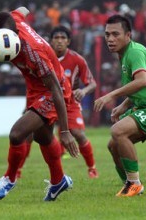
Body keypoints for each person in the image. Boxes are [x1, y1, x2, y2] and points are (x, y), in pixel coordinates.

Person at [0, 7, 79, 202]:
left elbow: (56, 89)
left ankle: (9, 179)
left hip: (53, 90)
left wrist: (65, 131)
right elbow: (22, 9)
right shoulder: (14, 21)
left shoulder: (34, 53)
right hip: (36, 88)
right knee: (43, 138)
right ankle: (58, 180)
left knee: (17, 133)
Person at [94, 14, 146, 197]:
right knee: (113, 145)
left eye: (115, 34)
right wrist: (124, 105)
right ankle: (129, 185)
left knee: (118, 132)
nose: (110, 39)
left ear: (128, 35)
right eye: (107, 34)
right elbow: (138, 86)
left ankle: (134, 183)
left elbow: (142, 81)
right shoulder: (125, 54)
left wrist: (110, 95)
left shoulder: (134, 52)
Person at [49, 25, 98, 178]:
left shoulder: (77, 60)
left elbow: (92, 83)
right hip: (48, 102)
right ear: (50, 41)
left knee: (78, 133)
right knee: (35, 135)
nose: (59, 41)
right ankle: (16, 173)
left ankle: (92, 168)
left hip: (70, 103)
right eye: (56, 38)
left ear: (68, 41)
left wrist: (83, 91)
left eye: (63, 38)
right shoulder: (45, 58)